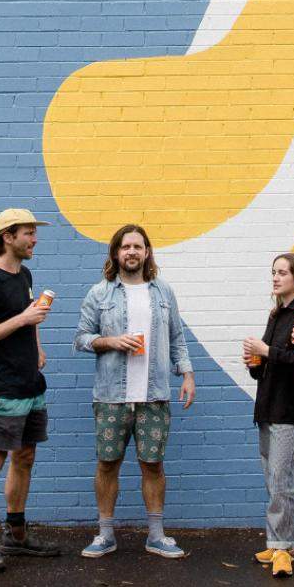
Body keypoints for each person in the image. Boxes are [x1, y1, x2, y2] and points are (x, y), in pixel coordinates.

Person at [73, 224, 196, 560]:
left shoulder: (163, 292)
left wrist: (187, 373)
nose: (131, 252)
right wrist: (110, 341)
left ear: (146, 252)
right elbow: (81, 338)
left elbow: (177, 338)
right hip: (112, 396)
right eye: (125, 247)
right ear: (116, 253)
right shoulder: (100, 293)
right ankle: (105, 534)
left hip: (154, 396)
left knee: (153, 464)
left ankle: (156, 535)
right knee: (107, 463)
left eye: (137, 247)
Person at [0, 208, 65, 572]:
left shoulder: (24, 274)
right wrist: (22, 319)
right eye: (28, 233)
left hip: (29, 385)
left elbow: (30, 314)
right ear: (8, 236)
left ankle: (16, 534)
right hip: (1, 389)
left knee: (25, 457)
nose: (34, 239)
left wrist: (35, 343)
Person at [241, 252, 294, 578]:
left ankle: (280, 546)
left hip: (292, 408)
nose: (275, 278)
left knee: (280, 478)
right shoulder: (277, 313)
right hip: (269, 405)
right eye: (273, 272)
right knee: (280, 478)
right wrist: (255, 361)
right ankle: (290, 543)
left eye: (282, 272)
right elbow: (271, 364)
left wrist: (267, 352)